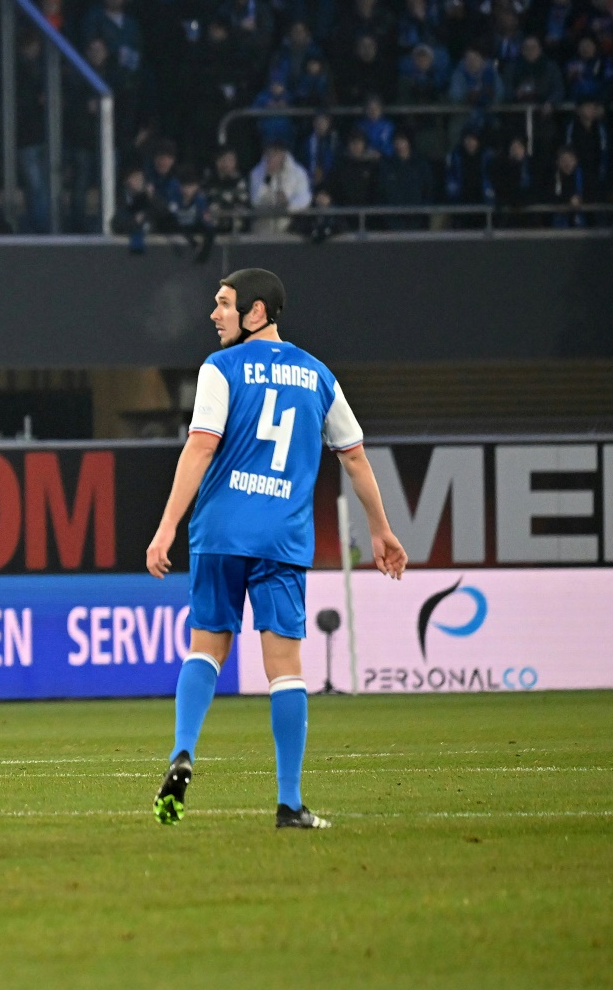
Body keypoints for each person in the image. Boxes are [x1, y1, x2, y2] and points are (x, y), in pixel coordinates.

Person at [145, 268, 408, 830]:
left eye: (223, 304)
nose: (214, 314)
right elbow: (355, 457)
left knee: (206, 649)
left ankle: (183, 750)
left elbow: (199, 448)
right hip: (281, 540)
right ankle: (289, 803)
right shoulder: (318, 376)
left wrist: (166, 526)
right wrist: (381, 530)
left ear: (256, 312)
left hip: (218, 534)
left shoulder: (220, 369)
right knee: (285, 669)